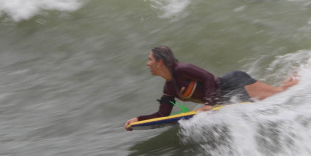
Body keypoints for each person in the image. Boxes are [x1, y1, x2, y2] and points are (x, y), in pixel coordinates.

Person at [125, 46, 298, 130]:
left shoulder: (182, 69)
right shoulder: (170, 88)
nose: (148, 63)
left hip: (233, 83)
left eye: (150, 59)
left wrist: (209, 103)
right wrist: (138, 119)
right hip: (224, 99)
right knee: (278, 94)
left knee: (279, 95)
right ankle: (296, 77)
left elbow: (207, 77)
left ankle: (305, 79)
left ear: (160, 62)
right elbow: (162, 114)